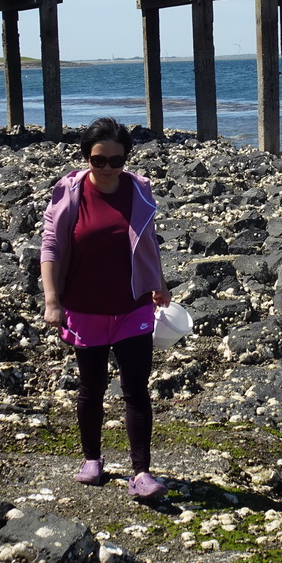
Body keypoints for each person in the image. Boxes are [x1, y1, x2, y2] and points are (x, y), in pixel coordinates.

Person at [40, 117, 171, 498]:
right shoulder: (69, 194)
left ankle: (142, 473)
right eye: (100, 160)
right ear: (86, 159)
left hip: (132, 307)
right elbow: (50, 247)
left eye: (117, 160)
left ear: (126, 159)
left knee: (136, 390)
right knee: (91, 387)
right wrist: (52, 301)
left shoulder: (138, 189)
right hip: (84, 308)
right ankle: (92, 459)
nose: (109, 168)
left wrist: (159, 284)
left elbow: (148, 242)